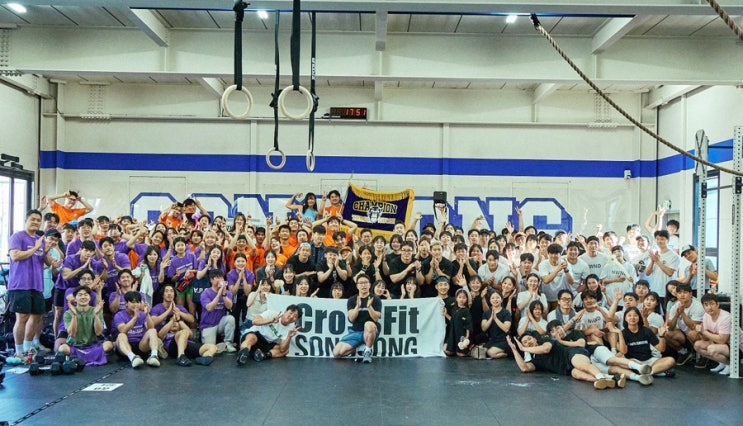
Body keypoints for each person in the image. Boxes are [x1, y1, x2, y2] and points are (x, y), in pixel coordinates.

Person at [7, 210, 58, 360]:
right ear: (26, 220)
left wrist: (47, 253)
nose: (36, 222)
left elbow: (45, 261)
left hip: (37, 284)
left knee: (36, 317)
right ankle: (18, 351)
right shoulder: (17, 236)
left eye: (38, 220)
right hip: (20, 284)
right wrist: (35, 248)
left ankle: (28, 349)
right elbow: (15, 256)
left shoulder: (40, 240)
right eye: (33, 219)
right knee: (22, 317)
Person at [506, 331, 620, 390]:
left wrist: (523, 348)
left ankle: (600, 377)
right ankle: (610, 380)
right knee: (578, 374)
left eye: (529, 339)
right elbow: (524, 368)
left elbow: (546, 349)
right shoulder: (535, 360)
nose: (528, 342)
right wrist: (515, 350)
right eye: (525, 342)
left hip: (572, 354)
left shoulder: (544, 341)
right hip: (567, 369)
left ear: (535, 339)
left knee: (580, 365)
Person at [57, 285, 114, 366]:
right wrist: (74, 315)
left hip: (93, 346)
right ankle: (89, 358)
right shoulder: (68, 313)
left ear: (90, 298)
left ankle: (80, 359)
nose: (83, 297)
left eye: (86, 295)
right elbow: (72, 334)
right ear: (75, 298)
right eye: (80, 295)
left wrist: (96, 315)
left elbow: (99, 332)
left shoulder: (96, 310)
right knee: (62, 348)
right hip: (75, 346)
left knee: (109, 345)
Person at [332, 274, 382, 363]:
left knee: (368, 324)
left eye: (366, 282)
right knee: (337, 353)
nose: (363, 285)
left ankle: (367, 351)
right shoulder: (352, 300)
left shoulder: (376, 299)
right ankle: (359, 348)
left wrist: (369, 307)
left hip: (370, 332)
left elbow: (376, 319)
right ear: (357, 286)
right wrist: (357, 307)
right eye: (361, 283)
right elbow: (351, 318)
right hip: (356, 332)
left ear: (370, 285)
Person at [113, 291, 166, 368]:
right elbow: (122, 330)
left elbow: (150, 328)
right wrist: (135, 318)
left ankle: (154, 356)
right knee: (121, 335)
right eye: (133, 302)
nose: (135, 304)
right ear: (126, 303)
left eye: (138, 302)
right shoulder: (119, 315)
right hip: (125, 348)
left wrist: (147, 315)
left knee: (152, 331)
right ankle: (133, 358)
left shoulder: (142, 314)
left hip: (141, 346)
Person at [693, 293, 743, 376]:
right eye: (706, 305)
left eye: (712, 304)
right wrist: (700, 332)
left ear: (717, 304)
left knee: (711, 349)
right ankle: (722, 363)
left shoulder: (725, 317)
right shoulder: (706, 316)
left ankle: (730, 365)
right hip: (723, 345)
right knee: (697, 345)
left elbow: (722, 340)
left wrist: (704, 332)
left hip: (737, 347)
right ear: (703, 307)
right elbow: (706, 338)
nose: (709, 307)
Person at [235, 304, 302, 365]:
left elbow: (282, 349)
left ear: (296, 320)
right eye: (291, 313)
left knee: (286, 351)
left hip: (266, 343)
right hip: (256, 334)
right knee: (252, 338)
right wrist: (271, 320)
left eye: (295, 316)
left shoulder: (291, 328)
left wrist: (289, 336)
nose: (291, 316)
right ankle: (243, 353)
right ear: (285, 311)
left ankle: (263, 355)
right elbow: (254, 321)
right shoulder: (271, 313)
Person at [664, 283, 704, 366]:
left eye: (685, 292)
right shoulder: (675, 306)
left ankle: (703, 356)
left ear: (690, 294)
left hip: (698, 335)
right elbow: (670, 327)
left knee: (692, 333)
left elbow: (693, 327)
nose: (682, 295)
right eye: (679, 293)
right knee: (667, 334)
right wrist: (676, 315)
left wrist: (682, 314)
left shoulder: (698, 306)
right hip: (684, 334)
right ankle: (684, 353)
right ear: (677, 295)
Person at [199, 269, 237, 352]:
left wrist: (224, 294)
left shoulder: (228, 293)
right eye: (217, 277)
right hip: (208, 325)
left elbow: (229, 307)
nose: (220, 280)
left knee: (230, 319)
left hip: (220, 323)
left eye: (221, 278)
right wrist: (218, 294)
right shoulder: (205, 293)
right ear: (211, 280)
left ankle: (228, 343)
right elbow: (209, 308)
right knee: (210, 349)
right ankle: (218, 347)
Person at [481, 290, 512, 359]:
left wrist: (495, 318)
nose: (495, 300)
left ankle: (507, 354)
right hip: (492, 340)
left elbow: (506, 329)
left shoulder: (506, 312)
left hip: (504, 340)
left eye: (497, 297)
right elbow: (484, 328)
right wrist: (491, 318)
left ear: (501, 300)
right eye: (493, 298)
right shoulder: (486, 313)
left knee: (491, 353)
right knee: (481, 352)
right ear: (490, 300)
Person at [444, 288, 472, 357]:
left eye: (464, 297)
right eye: (460, 297)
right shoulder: (454, 309)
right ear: (456, 298)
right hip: (453, 333)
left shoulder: (466, 311)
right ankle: (454, 350)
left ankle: (469, 349)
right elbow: (452, 320)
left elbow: (468, 324)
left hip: (461, 334)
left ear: (466, 299)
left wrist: (467, 336)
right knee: (447, 351)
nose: (461, 299)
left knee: (461, 354)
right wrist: (446, 314)